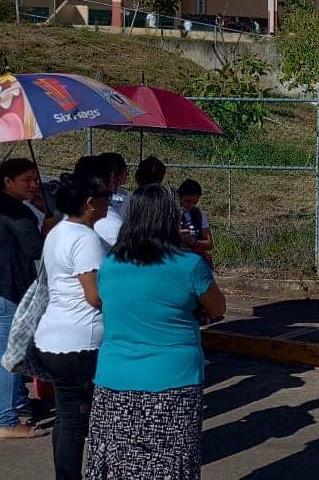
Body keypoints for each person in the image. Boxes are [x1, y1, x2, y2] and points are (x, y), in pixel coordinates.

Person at [87, 184, 226, 479]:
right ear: (168, 219)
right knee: (170, 460)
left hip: (115, 377)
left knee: (118, 461)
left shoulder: (111, 263)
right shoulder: (189, 265)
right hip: (172, 380)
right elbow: (217, 308)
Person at [35, 172, 110, 479]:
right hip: (79, 341)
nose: (110, 201)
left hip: (55, 336)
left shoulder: (59, 231)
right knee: (76, 420)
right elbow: (95, 296)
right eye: (106, 196)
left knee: (67, 417)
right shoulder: (85, 239)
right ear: (91, 203)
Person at [0, 158, 46, 440]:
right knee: (9, 358)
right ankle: (9, 422)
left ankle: (0, 411)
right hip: (7, 291)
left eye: (36, 179)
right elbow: (36, 249)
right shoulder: (18, 213)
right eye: (27, 180)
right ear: (7, 182)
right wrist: (47, 226)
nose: (34, 185)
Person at [93, 153, 129, 249]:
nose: (127, 175)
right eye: (125, 171)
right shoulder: (114, 224)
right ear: (113, 177)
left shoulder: (70, 217)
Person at [177, 179, 214, 269]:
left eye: (195, 202)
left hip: (192, 259)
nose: (191, 205)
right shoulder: (167, 212)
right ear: (178, 197)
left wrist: (194, 242)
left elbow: (209, 243)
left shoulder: (198, 214)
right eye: (187, 201)